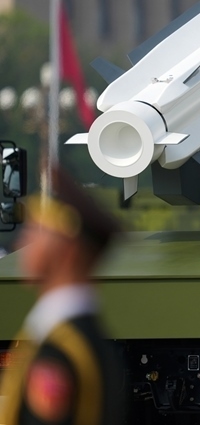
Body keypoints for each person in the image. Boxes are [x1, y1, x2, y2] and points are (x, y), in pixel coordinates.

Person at [0, 167, 123, 425]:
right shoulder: (71, 337)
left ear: (68, 248)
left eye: (36, 232)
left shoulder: (61, 349)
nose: (21, 244)